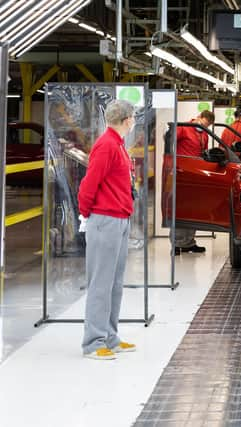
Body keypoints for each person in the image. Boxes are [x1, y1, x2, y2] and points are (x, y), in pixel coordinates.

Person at [78, 100, 137, 360]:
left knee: (114, 283)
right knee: (101, 283)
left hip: (120, 218)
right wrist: (85, 213)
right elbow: (89, 184)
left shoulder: (118, 145)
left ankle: (110, 336)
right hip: (105, 219)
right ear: (126, 120)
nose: (134, 120)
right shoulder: (106, 145)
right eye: (133, 117)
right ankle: (93, 342)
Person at [173, 110, 215, 255]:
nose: (205, 127)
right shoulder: (183, 128)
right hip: (182, 174)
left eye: (208, 126)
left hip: (195, 175)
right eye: (204, 124)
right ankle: (176, 244)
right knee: (180, 208)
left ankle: (189, 242)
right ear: (198, 118)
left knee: (193, 209)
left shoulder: (204, 134)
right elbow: (169, 141)